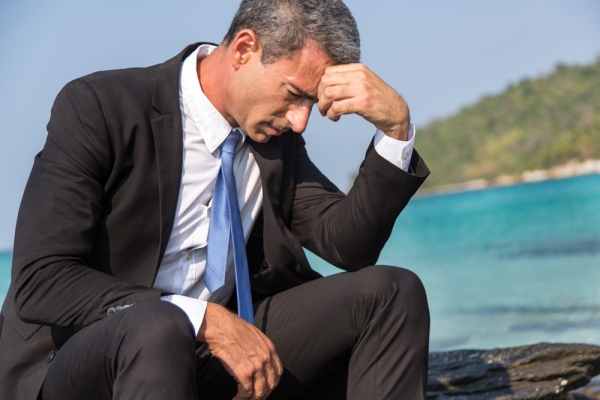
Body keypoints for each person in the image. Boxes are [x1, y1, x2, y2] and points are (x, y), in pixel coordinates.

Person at [0, 0, 431, 399]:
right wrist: (201, 318)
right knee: (159, 327)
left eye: (312, 103)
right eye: (294, 95)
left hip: (207, 359)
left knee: (392, 293)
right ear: (244, 49)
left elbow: (349, 246)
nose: (301, 121)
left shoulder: (274, 141)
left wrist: (396, 130)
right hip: (85, 360)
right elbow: (40, 279)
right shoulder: (100, 106)